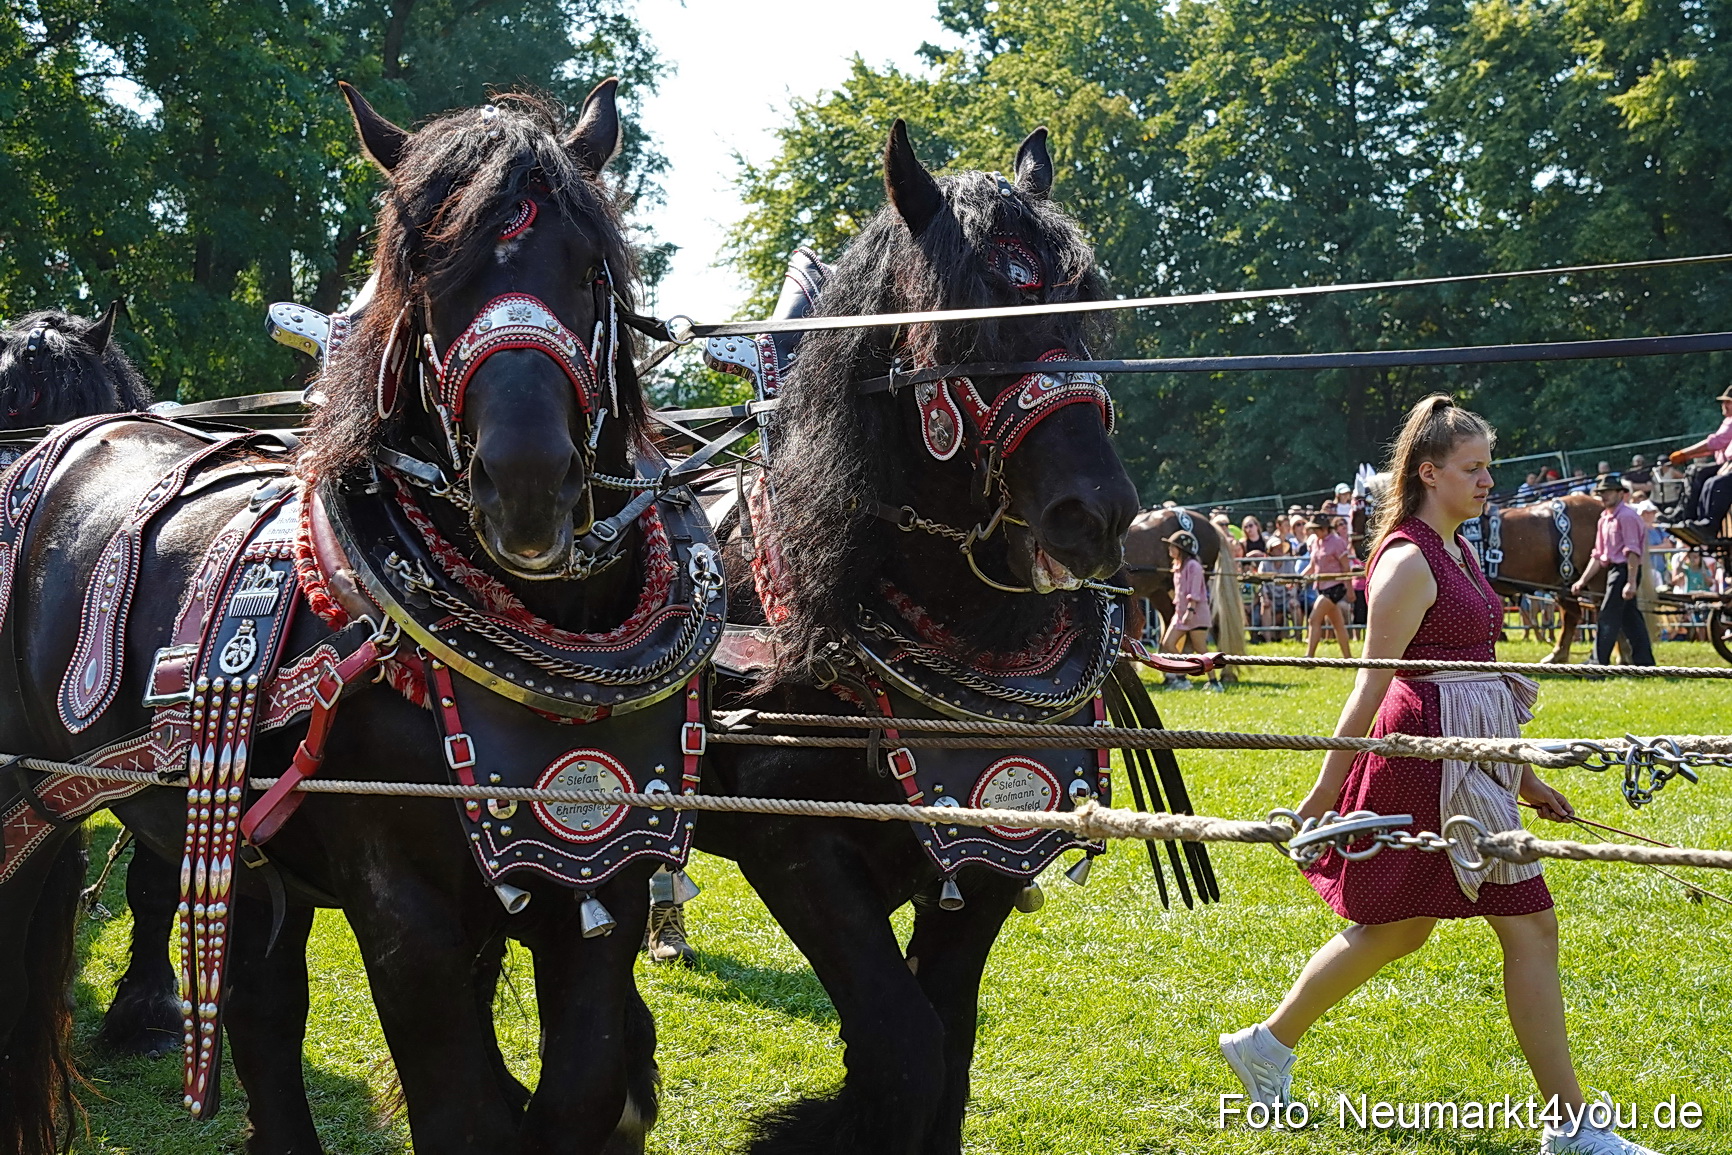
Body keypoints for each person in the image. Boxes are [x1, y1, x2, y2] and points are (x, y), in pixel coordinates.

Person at [1218, 394, 1663, 1155]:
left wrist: (1521, 778)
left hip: (1467, 763)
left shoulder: (1457, 548)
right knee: (1527, 924)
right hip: (1421, 762)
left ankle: (1265, 1044)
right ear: (1430, 472)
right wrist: (1322, 796)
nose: (1490, 480)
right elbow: (1370, 684)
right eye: (1475, 468)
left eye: (1488, 466)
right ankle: (1573, 1127)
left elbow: (1477, 683)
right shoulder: (1409, 559)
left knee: (1398, 927)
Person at [1570, 475, 1655, 667]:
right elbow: (1599, 555)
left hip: (1625, 571)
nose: (1603, 496)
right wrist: (1582, 581)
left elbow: (1632, 552)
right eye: (1601, 493)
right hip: (1615, 571)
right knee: (1631, 619)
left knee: (1608, 615)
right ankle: (1645, 662)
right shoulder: (1604, 519)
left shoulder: (1626, 517)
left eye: (1608, 492)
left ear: (1620, 494)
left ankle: (1597, 663)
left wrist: (1631, 582)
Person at [1663, 385, 1732, 538]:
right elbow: (1715, 447)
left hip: (1728, 466)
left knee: (1714, 483)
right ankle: (1689, 516)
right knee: (1698, 474)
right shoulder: (1728, 421)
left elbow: (1716, 443)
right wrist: (1686, 456)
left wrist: (1684, 453)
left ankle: (1708, 525)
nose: (1724, 405)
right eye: (1724, 402)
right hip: (1726, 465)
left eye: (1728, 402)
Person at [1159, 529, 1223, 691]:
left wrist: (1190, 610)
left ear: (1181, 548)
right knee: (1168, 643)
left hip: (1195, 614)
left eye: (1172, 547)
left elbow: (1194, 591)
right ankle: (1182, 677)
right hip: (1180, 614)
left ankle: (1214, 682)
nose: (1169, 550)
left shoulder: (1193, 566)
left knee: (1201, 648)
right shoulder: (1178, 567)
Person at [1302, 513, 1355, 658]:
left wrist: (1350, 590)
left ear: (1324, 529)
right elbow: (1313, 566)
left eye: (1316, 529)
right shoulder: (1315, 543)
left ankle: (1309, 657)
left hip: (1335, 587)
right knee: (1338, 624)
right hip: (1321, 587)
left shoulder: (1337, 542)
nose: (1314, 532)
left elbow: (1346, 567)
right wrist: (1299, 578)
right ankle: (1348, 659)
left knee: (1313, 619)